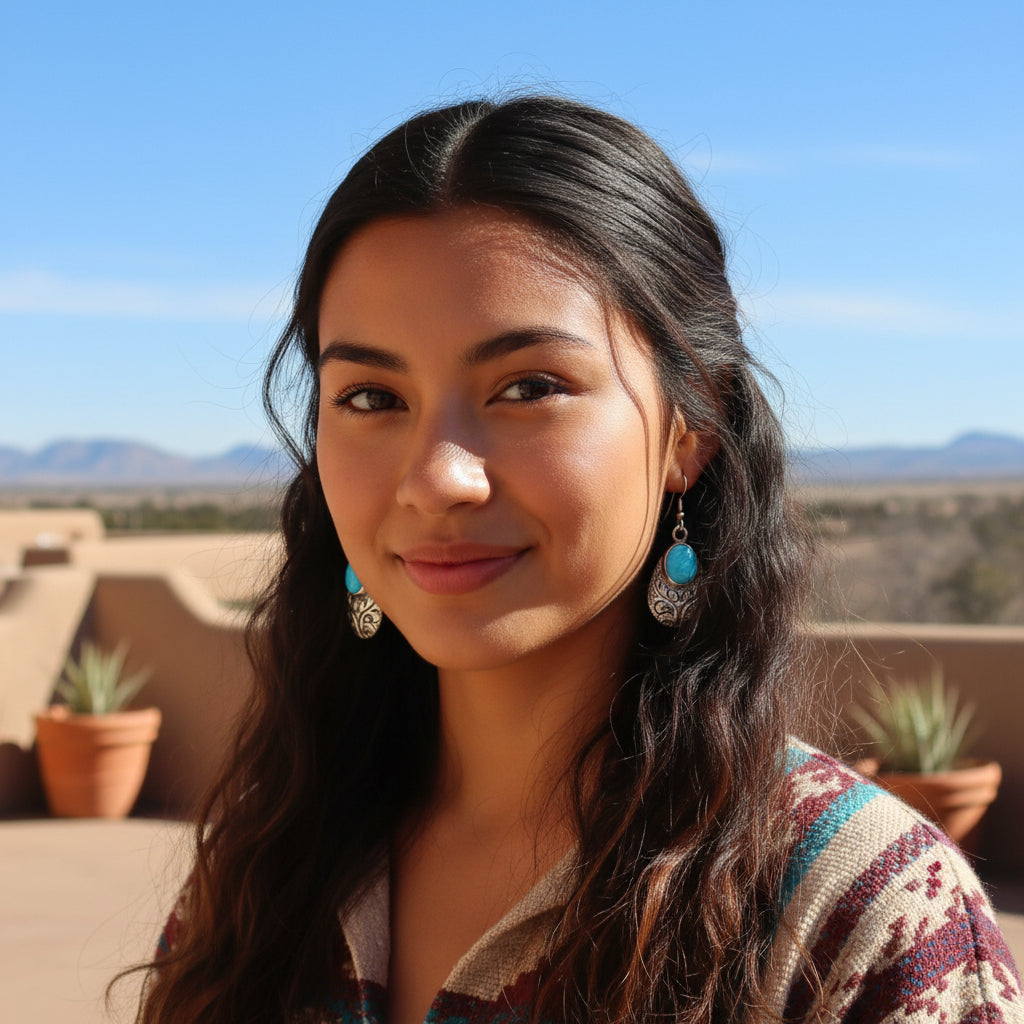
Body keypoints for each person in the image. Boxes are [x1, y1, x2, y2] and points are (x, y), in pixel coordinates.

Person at [136, 96, 1022, 1023]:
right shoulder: (264, 869)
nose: (437, 478)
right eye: (369, 397)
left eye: (530, 387)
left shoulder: (862, 918)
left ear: (694, 427)